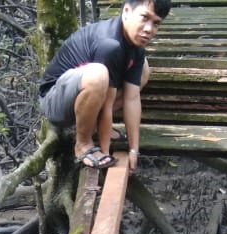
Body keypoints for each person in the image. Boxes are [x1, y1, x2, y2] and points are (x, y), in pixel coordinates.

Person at [39, 0, 171, 171]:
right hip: (55, 101)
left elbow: (132, 98)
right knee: (98, 75)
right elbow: (107, 106)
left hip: (85, 97)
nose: (148, 29)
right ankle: (83, 144)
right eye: (144, 18)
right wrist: (105, 152)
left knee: (143, 69)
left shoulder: (136, 46)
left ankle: (93, 127)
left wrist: (133, 150)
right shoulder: (109, 44)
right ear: (126, 12)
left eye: (155, 23)